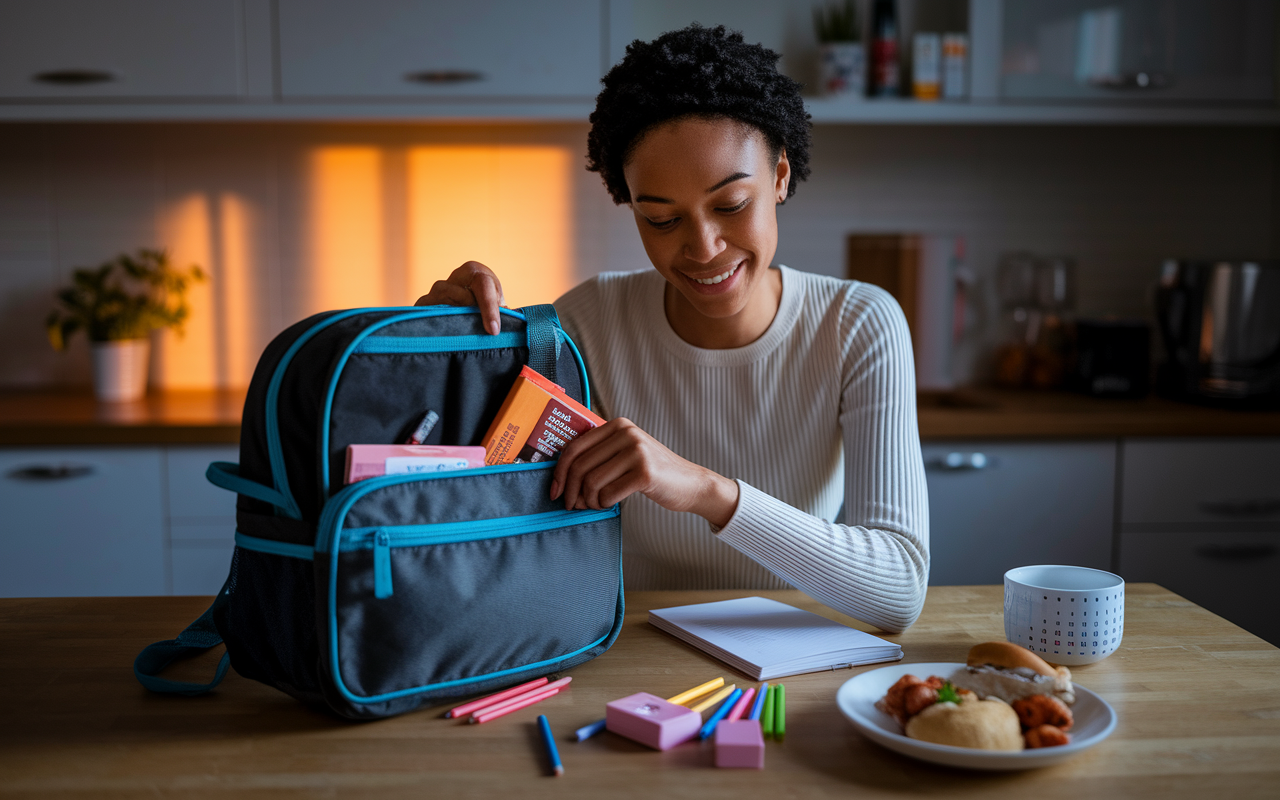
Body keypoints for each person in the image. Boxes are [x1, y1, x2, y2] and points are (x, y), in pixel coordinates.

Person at [417, 24, 928, 633]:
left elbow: (898, 589)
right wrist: (440, 351)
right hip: (628, 649)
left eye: (731, 206)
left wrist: (700, 490)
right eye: (660, 219)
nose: (703, 248)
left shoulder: (858, 325)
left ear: (781, 177)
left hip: (795, 658)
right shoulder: (589, 320)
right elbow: (474, 500)